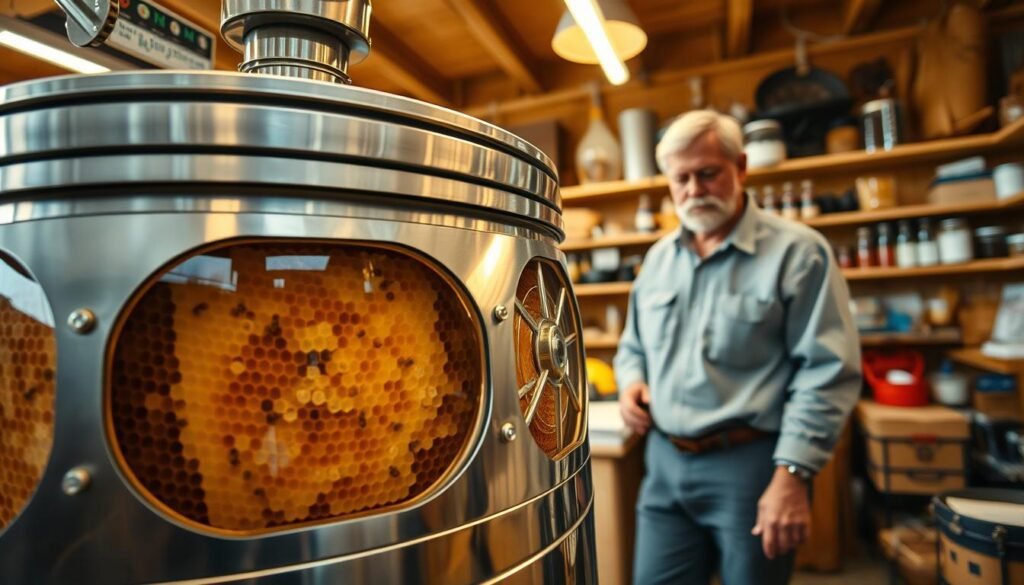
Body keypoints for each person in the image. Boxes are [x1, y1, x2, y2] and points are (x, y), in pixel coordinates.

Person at [614, 110, 862, 585]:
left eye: (707, 173)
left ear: (741, 167)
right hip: (664, 464)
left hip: (750, 466)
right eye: (680, 179)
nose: (693, 190)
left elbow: (827, 372)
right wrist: (631, 383)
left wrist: (792, 474)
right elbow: (633, 347)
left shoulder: (799, 253)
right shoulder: (658, 260)